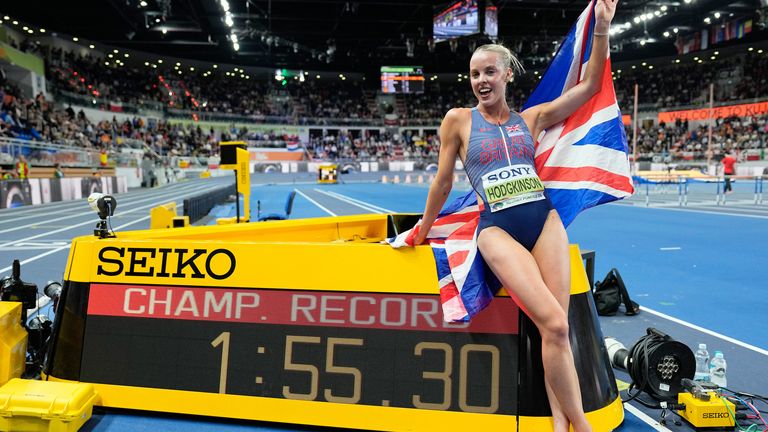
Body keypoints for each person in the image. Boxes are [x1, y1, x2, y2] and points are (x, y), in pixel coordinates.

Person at [414, 1, 618, 431]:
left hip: (543, 222)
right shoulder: (457, 121)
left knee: (555, 332)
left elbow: (590, 85)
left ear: (507, 74)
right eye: (474, 74)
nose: (481, 81)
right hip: (498, 232)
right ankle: (582, 427)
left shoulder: (533, 119)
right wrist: (422, 229)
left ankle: (562, 423)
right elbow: (443, 184)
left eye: (489, 72)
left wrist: (600, 28)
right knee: (554, 323)